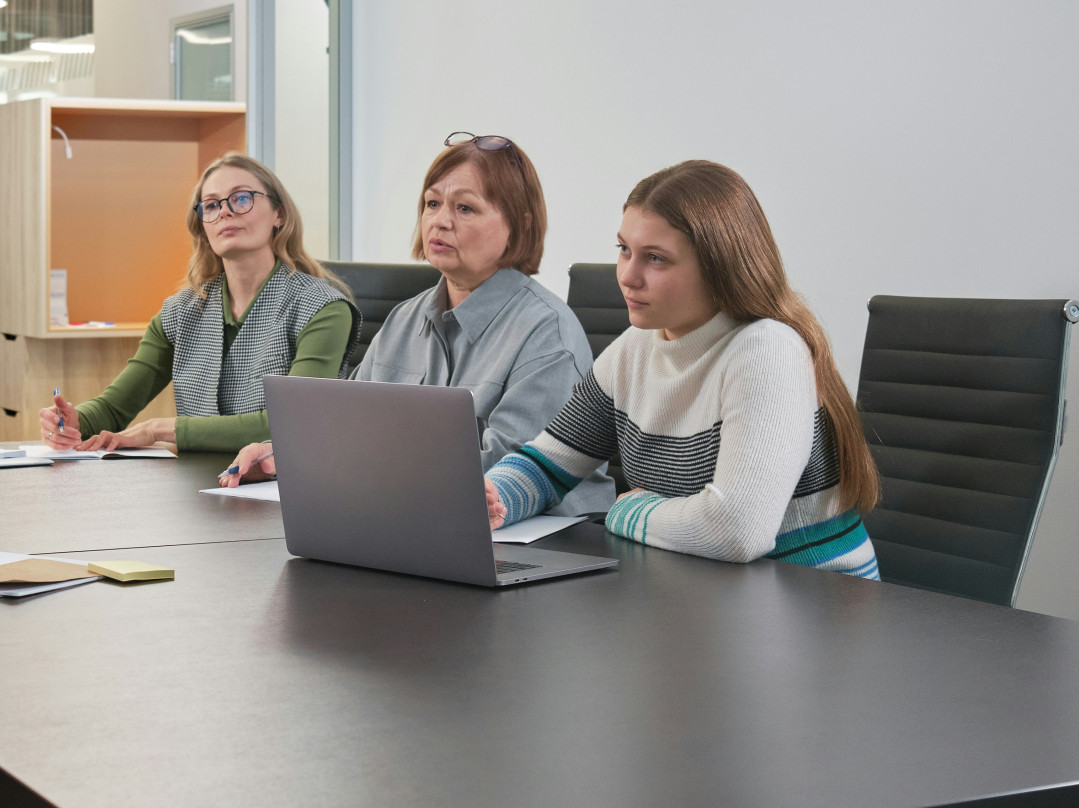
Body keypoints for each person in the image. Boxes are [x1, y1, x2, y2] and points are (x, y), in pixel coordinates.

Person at [482, 160, 880, 577]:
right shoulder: (635, 348)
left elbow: (737, 530)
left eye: (656, 258)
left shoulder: (768, 350)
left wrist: (627, 510)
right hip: (708, 591)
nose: (628, 276)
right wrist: (492, 497)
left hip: (815, 599)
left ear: (719, 267)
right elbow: (547, 465)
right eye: (624, 250)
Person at [220, 132, 612, 516]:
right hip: (411, 516)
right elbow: (347, 426)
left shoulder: (546, 333)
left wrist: (362, 463)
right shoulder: (405, 318)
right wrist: (285, 455)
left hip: (542, 540)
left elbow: (508, 470)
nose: (439, 221)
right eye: (432, 203)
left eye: (465, 208)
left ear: (519, 225)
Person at [39, 152, 359, 455]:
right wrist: (73, 421)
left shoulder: (323, 307)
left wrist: (160, 429)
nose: (225, 211)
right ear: (204, 227)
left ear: (280, 214)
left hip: (281, 486)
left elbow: (292, 422)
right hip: (196, 483)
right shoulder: (181, 312)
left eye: (241, 198)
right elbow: (114, 407)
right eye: (211, 205)